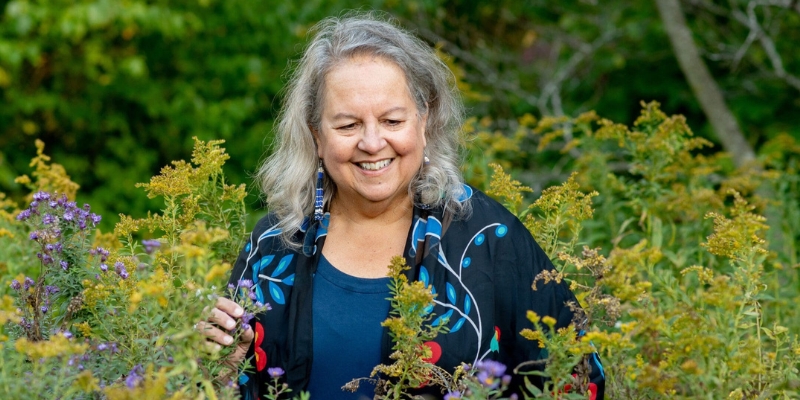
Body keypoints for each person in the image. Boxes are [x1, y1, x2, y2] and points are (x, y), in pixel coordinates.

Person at [196, 12, 605, 400]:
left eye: (392, 121)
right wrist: (219, 369)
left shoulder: (488, 238)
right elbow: (228, 382)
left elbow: (579, 378)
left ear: (424, 121)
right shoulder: (275, 244)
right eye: (347, 125)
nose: (372, 143)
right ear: (316, 136)